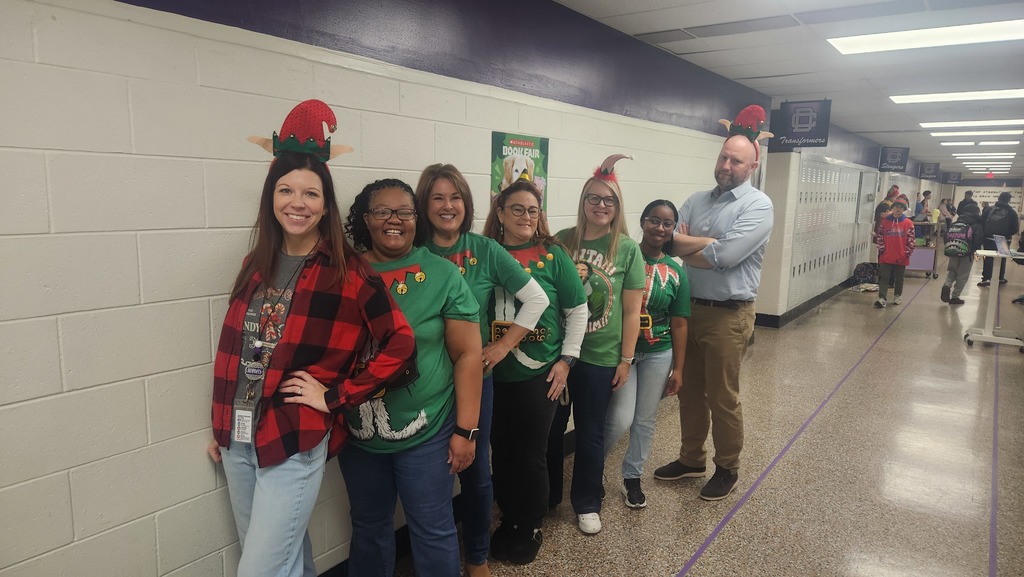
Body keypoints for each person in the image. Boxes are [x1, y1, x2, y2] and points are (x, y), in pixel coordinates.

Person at [207, 100, 418, 577]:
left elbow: (400, 344)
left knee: (260, 571)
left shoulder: (348, 271)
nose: (296, 203)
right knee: (284, 561)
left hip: (292, 438)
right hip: (237, 435)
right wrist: (219, 423)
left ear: (325, 204)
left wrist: (336, 396)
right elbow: (237, 351)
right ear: (271, 196)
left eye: (310, 193)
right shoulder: (254, 263)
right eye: (285, 190)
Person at [342, 178, 483, 577]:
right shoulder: (344, 271)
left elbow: (468, 354)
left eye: (404, 211)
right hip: (358, 434)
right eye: (381, 211)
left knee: (432, 529)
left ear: (415, 218)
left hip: (428, 430)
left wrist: (466, 430)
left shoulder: (442, 274)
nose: (394, 220)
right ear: (365, 220)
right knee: (368, 526)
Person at [415, 163, 549, 577]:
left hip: (475, 383)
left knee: (475, 473)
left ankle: (476, 557)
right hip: (423, 385)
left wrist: (504, 345)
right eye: (437, 197)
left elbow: (537, 299)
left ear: (467, 203)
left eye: (455, 197)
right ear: (424, 204)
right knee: (428, 476)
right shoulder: (411, 249)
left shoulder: (485, 249)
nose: (447, 205)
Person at [655, 104, 774, 502]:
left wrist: (701, 246)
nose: (726, 165)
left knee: (722, 396)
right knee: (687, 391)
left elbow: (725, 257)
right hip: (689, 311)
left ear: (751, 165)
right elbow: (670, 244)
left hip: (729, 315)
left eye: (736, 160)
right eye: (723, 157)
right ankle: (691, 459)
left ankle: (728, 467)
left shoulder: (758, 205)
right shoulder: (695, 199)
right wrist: (704, 245)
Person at [481, 178, 587, 564]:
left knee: (530, 452)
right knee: (501, 450)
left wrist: (566, 361)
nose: (526, 217)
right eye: (517, 209)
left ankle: (530, 522)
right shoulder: (484, 253)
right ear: (500, 214)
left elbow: (577, 311)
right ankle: (509, 518)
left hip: (540, 372)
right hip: (492, 373)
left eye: (533, 210)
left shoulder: (552, 254)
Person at [547, 153, 645, 534]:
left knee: (590, 433)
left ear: (617, 206)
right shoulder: (561, 241)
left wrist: (625, 360)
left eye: (609, 200)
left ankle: (587, 502)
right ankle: (548, 496)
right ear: (583, 201)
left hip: (600, 357)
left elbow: (632, 311)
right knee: (552, 430)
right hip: (557, 355)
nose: (601, 206)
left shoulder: (626, 248)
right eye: (594, 198)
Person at [603, 200, 690, 509]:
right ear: (642, 221)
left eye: (668, 223)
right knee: (619, 419)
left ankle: (632, 477)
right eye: (654, 220)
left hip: (658, 353)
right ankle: (593, 470)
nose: (660, 228)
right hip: (622, 353)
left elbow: (680, 324)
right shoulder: (624, 256)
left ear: (673, 230)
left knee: (645, 420)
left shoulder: (676, 270)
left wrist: (678, 368)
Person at [874, 195, 916, 308]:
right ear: (892, 208)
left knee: (899, 278)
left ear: (904, 209)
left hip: (901, 256)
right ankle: (882, 298)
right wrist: (882, 250)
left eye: (901, 207)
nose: (898, 209)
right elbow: (880, 237)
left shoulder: (908, 223)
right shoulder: (885, 222)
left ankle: (898, 295)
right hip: (886, 255)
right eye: (896, 206)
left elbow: (911, 240)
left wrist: (907, 253)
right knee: (884, 277)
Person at [941, 201, 984, 305]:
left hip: (953, 250)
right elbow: (978, 240)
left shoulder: (957, 221)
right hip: (967, 254)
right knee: (962, 275)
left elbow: (946, 236)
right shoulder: (977, 224)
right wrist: (974, 250)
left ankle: (947, 284)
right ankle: (955, 297)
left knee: (952, 271)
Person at [978, 191, 1020, 287]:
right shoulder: (1012, 212)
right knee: (1002, 258)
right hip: (1003, 239)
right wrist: (1006, 235)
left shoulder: (989, 210)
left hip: (988, 238)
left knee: (988, 258)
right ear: (1009, 200)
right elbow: (1015, 228)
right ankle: (1000, 278)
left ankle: (986, 279)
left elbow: (982, 222)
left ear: (998, 198)